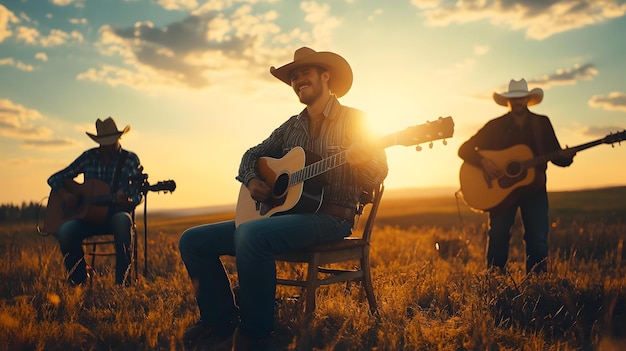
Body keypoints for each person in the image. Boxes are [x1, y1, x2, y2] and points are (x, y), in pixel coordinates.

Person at [179, 47, 388, 351]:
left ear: (325, 76)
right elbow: (251, 154)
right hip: (283, 218)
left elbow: (378, 173)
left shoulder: (356, 121)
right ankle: (219, 320)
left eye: (304, 73)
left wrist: (363, 160)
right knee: (192, 240)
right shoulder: (292, 126)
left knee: (251, 233)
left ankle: (257, 335)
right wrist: (252, 180)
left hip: (332, 217)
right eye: (293, 77)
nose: (297, 80)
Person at [458, 79, 576, 275]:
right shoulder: (495, 126)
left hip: (534, 190)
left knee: (537, 238)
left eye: (521, 98)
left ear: (528, 99)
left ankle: (537, 287)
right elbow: (464, 149)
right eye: (514, 99)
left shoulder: (541, 123)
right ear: (508, 102)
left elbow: (556, 156)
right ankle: (495, 282)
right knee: (498, 235)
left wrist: (567, 158)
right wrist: (483, 161)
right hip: (501, 192)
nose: (518, 102)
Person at [47, 117, 143, 286]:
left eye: (110, 142)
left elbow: (137, 195)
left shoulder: (130, 160)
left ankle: (122, 284)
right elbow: (55, 178)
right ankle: (78, 283)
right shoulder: (89, 157)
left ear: (118, 139)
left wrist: (128, 200)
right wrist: (65, 194)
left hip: (114, 215)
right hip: (87, 218)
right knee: (65, 231)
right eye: (103, 142)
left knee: (123, 220)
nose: (107, 146)